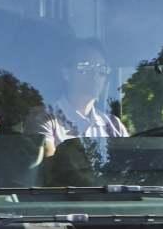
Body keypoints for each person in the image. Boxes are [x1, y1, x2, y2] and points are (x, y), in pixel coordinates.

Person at [31, 43, 130, 177]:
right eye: (85, 67)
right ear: (66, 73)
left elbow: (128, 171)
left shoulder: (114, 125)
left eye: (102, 69)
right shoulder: (44, 118)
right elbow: (50, 172)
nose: (95, 75)